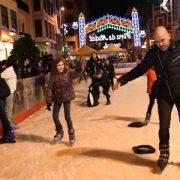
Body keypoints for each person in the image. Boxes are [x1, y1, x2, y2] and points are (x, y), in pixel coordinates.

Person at [113, 26, 180, 171]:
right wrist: (122, 79)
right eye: (156, 41)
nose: (160, 44)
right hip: (164, 94)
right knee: (163, 126)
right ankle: (164, 153)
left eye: (162, 40)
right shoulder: (153, 53)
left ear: (169, 35)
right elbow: (140, 69)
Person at [46, 58, 80, 145]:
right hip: (57, 97)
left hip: (67, 97)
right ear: (55, 66)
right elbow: (50, 88)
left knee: (67, 116)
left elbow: (77, 74)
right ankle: (59, 131)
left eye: (62, 65)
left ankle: (71, 134)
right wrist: (49, 100)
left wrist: (78, 67)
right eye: (59, 65)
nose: (61, 67)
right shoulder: (53, 75)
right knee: (54, 116)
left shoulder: (68, 72)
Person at [1, 58, 19, 130]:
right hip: (9, 92)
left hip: (11, 91)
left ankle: (10, 122)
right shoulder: (9, 70)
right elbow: (1, 75)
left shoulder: (12, 69)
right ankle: (9, 125)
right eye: (16, 60)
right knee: (8, 108)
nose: (17, 61)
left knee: (10, 108)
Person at [0, 77, 15, 143]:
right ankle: (7, 136)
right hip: (3, 95)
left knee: (2, 115)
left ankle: (9, 135)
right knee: (3, 115)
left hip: (1, 95)